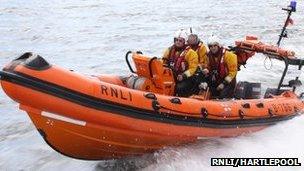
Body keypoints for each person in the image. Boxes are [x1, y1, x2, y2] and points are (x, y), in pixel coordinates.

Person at [162, 29, 199, 97]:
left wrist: (183, 76)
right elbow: (163, 63)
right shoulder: (169, 50)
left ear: (185, 42)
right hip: (171, 75)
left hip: (187, 78)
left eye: (180, 40)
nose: (178, 42)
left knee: (179, 88)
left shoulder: (191, 53)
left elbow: (192, 69)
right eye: (176, 40)